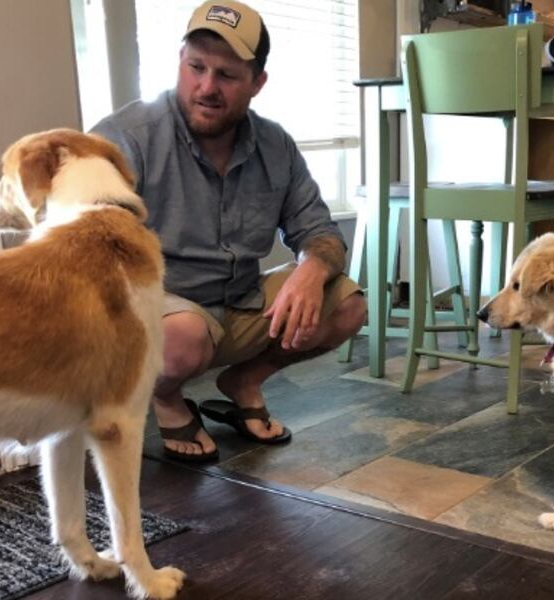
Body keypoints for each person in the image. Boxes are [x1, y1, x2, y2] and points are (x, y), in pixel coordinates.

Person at [92, 0, 366, 460]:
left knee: (348, 306)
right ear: (179, 61)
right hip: (159, 313)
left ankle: (245, 379)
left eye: (227, 75)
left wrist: (310, 269)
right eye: (195, 67)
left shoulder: (276, 145)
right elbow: (80, 244)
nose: (206, 87)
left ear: (257, 82)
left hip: (237, 302)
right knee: (184, 337)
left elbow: (319, 229)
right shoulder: (127, 137)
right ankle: (164, 396)